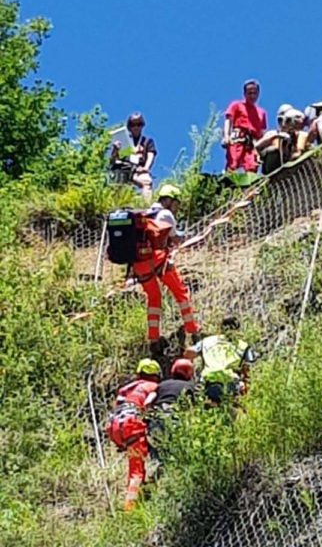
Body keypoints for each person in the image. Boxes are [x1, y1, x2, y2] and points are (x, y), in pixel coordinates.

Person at [132, 184, 200, 358]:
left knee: (154, 299)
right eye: (176, 204)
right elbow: (174, 237)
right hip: (158, 260)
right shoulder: (166, 214)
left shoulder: (146, 214)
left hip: (139, 265)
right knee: (181, 294)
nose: (176, 208)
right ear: (169, 201)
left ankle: (153, 340)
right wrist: (188, 237)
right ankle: (194, 333)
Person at [105, 358, 161, 511]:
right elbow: (148, 405)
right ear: (156, 375)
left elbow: (117, 406)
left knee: (134, 461)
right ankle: (130, 509)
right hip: (132, 426)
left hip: (114, 426)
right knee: (136, 472)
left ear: (138, 373)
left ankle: (137, 495)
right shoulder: (153, 386)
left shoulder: (126, 388)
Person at [183, 316, 254, 406]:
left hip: (209, 381)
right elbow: (248, 368)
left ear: (221, 328)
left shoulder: (207, 341)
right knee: (230, 412)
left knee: (210, 411)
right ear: (237, 330)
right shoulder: (242, 345)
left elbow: (189, 353)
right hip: (230, 382)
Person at [147, 358, 195, 467]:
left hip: (158, 417)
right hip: (176, 418)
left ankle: (157, 469)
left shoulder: (162, 385)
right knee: (177, 448)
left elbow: (148, 402)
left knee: (157, 448)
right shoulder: (190, 387)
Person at [222, 79, 267, 173]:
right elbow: (228, 120)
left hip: (252, 144)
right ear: (244, 94)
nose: (252, 96)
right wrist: (226, 136)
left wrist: (261, 146)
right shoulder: (236, 105)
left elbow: (261, 133)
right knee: (232, 164)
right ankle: (227, 185)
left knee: (252, 167)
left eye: (255, 93)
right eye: (249, 93)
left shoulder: (261, 113)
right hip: (238, 138)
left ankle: (250, 187)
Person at [111, 112, 157, 199]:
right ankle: (116, 206)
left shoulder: (147, 141)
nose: (136, 127)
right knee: (115, 182)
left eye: (138, 124)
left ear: (142, 126)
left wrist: (146, 168)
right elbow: (113, 161)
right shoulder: (123, 141)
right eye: (133, 125)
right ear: (129, 127)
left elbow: (151, 155)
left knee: (147, 181)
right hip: (123, 169)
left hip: (138, 170)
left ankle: (146, 207)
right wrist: (115, 150)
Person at [255, 106, 309, 175]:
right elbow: (257, 146)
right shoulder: (273, 134)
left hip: (292, 166)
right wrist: (276, 136)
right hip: (273, 168)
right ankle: (272, 176)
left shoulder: (300, 135)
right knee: (272, 150)